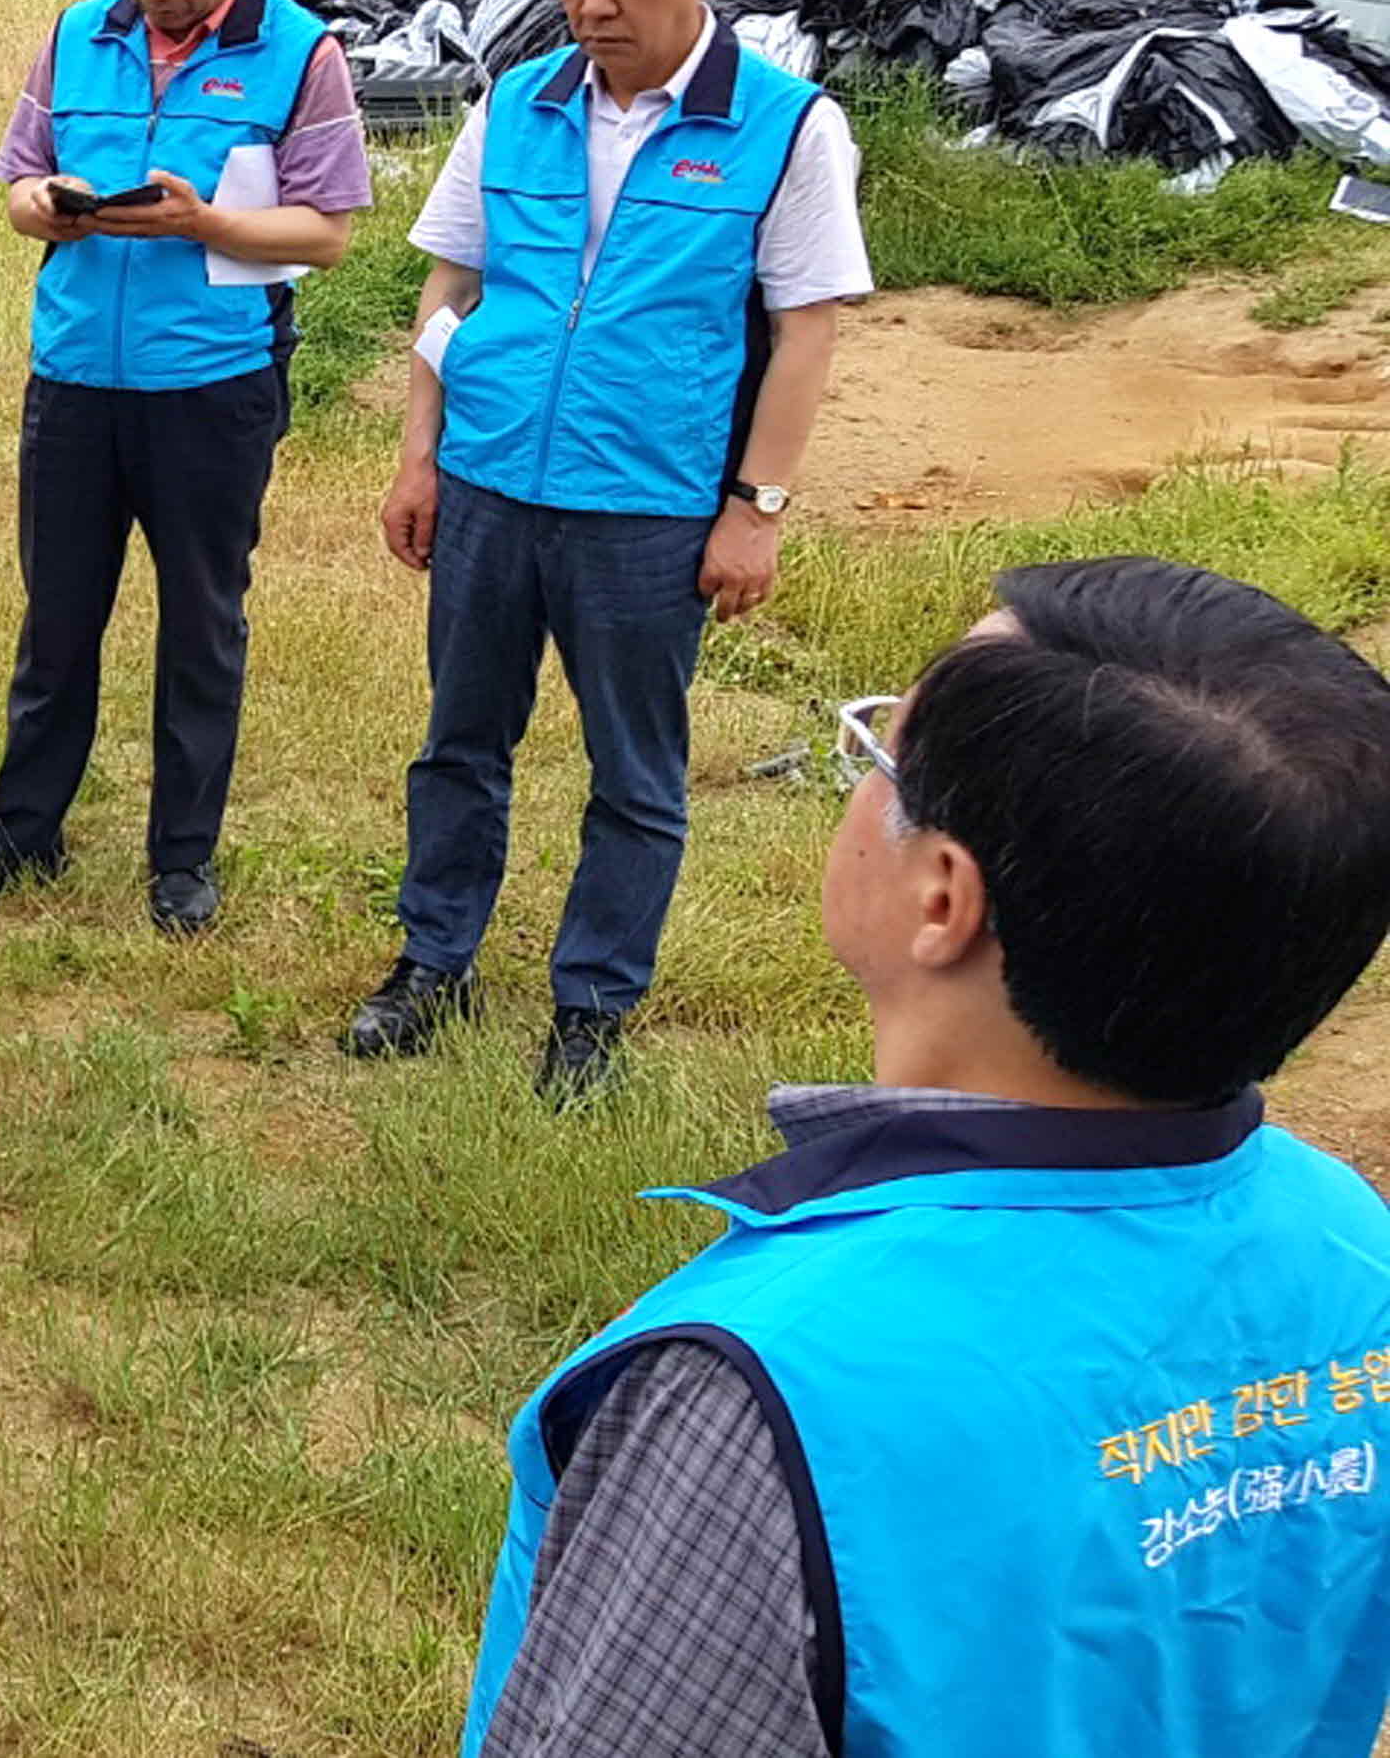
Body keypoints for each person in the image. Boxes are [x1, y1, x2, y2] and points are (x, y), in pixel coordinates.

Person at [463, 557, 1390, 1758]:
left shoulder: (760, 1390)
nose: (859, 789)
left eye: (879, 753)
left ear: (944, 899)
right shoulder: (1346, 1245)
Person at [346, 0, 865, 1105]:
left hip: (646, 508)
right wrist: (422, 453)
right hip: (488, 485)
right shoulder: (516, 103)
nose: (592, 3)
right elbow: (451, 284)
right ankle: (432, 960)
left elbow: (805, 330)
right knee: (460, 739)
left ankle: (591, 1008)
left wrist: (756, 510)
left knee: (634, 771)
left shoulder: (787, 130)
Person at [0, 0, 365, 937]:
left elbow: (324, 234)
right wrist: (39, 207)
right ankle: (21, 832)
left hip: (213, 387)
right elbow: (20, 178)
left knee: (201, 623)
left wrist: (207, 222)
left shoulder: (299, 54)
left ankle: (183, 857)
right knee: (58, 615)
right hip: (74, 374)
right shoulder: (77, 35)